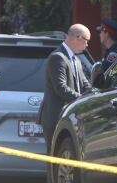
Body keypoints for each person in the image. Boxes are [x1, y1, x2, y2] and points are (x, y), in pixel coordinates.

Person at [37, 24, 92, 155]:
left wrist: (94, 95)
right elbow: (61, 88)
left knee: (67, 157)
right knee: (54, 158)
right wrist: (81, 100)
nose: (87, 45)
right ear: (78, 38)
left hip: (69, 118)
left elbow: (85, 85)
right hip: (55, 117)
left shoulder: (76, 59)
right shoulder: (58, 57)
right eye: (86, 41)